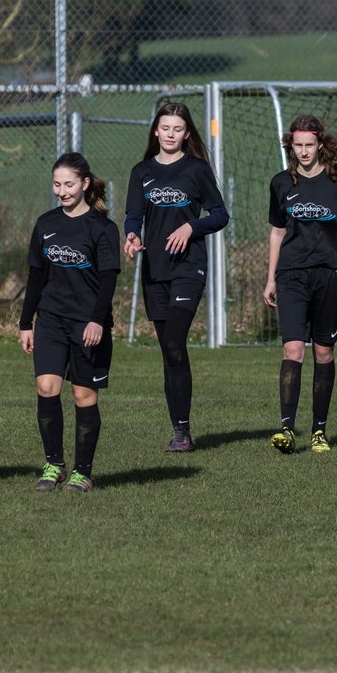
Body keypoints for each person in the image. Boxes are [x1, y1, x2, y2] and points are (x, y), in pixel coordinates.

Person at [123, 103, 230, 453]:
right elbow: (134, 215)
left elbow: (219, 215)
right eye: (165, 128)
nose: (170, 134)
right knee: (169, 351)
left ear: (187, 134)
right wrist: (132, 235)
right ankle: (179, 429)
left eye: (177, 129)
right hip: (155, 271)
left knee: (174, 343)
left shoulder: (197, 170)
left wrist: (191, 226)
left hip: (189, 268)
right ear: (156, 131)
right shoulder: (141, 172)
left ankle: (182, 433)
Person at [263, 115, 337, 455]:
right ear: (289, 146)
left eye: (309, 145)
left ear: (320, 144)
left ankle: (319, 431)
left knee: (323, 351)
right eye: (298, 145)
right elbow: (277, 232)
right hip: (291, 275)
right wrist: (270, 278)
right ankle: (287, 430)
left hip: (331, 275)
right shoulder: (281, 183)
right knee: (293, 348)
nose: (304, 151)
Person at [19, 152, 121, 493]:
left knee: (82, 395)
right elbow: (36, 276)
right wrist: (25, 322)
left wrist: (96, 321)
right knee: (46, 388)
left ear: (85, 184)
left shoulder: (103, 228)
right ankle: (53, 466)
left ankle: (83, 473)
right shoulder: (46, 224)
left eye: (69, 184)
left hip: (87, 324)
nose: (62, 191)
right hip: (50, 319)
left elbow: (107, 280)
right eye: (57, 184)